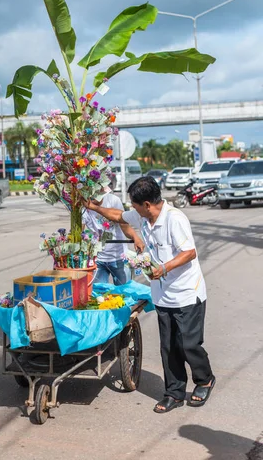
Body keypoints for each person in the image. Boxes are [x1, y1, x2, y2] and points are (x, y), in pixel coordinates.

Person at [84, 176, 215, 413]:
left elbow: (189, 253)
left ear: (147, 204)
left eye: (134, 205)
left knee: (188, 344)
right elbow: (117, 215)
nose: (132, 210)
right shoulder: (143, 215)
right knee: (168, 347)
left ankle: (204, 380)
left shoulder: (175, 219)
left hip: (187, 293)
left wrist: (164, 268)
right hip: (163, 295)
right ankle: (174, 393)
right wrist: (94, 207)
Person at [83, 190, 144, 285]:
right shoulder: (83, 206)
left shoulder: (113, 201)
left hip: (119, 257)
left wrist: (135, 237)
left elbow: (124, 225)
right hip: (98, 259)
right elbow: (79, 232)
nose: (91, 198)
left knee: (124, 293)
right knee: (99, 294)